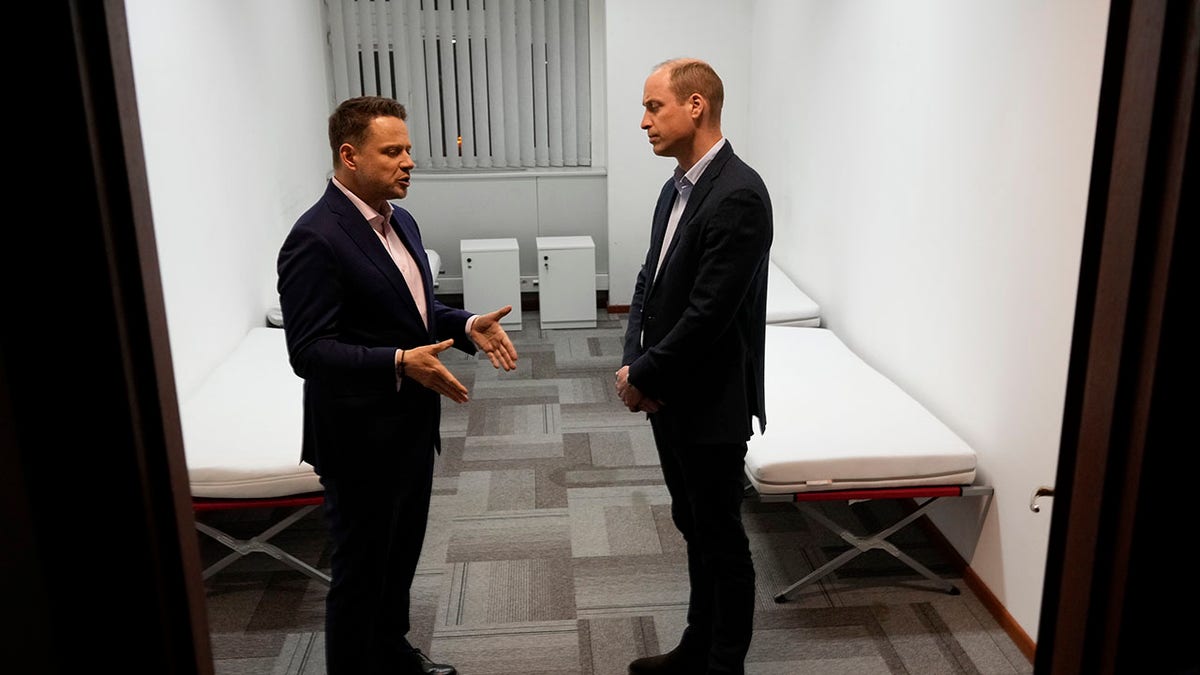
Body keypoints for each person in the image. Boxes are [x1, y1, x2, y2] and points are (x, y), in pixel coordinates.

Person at [277, 96, 519, 675]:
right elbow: (308, 350)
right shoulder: (315, 237)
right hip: (358, 437)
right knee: (359, 572)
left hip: (411, 427)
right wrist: (397, 361)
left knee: (400, 557)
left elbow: (413, 311)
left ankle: (392, 653)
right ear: (349, 155)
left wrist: (462, 324)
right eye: (393, 151)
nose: (409, 161)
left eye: (408, 148)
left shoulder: (400, 220)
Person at [615, 58, 772, 675]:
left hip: (709, 400)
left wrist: (645, 376)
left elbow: (708, 315)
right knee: (693, 525)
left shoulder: (739, 194)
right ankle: (695, 647)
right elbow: (649, 282)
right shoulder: (674, 187)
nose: (644, 121)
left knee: (722, 537)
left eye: (654, 107)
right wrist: (635, 364)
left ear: (696, 106)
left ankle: (724, 662)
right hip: (666, 395)